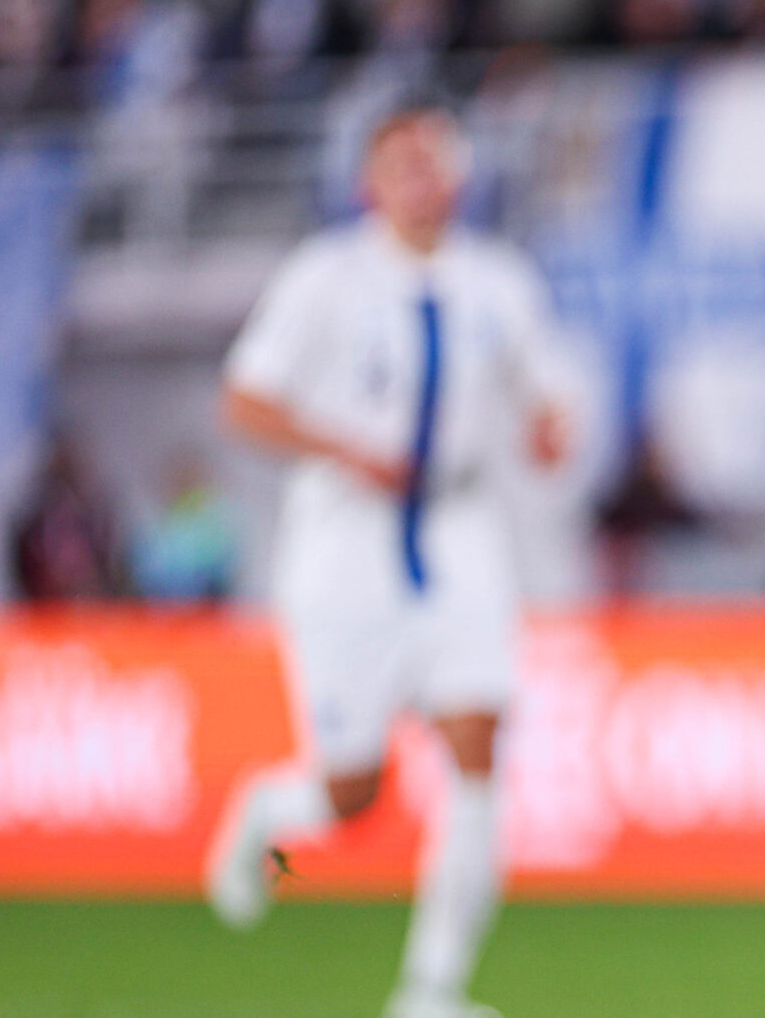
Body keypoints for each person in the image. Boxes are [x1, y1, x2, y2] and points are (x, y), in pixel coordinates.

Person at [204, 106, 575, 1018]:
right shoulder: (326, 277)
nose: (419, 177)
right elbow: (245, 402)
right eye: (399, 162)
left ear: (459, 178)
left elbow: (546, 386)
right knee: (350, 792)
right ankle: (265, 811)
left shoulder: (497, 281)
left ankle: (432, 988)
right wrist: (344, 449)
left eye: (434, 161)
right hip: (348, 541)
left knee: (478, 741)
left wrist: (547, 424)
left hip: (458, 529)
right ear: (370, 182)